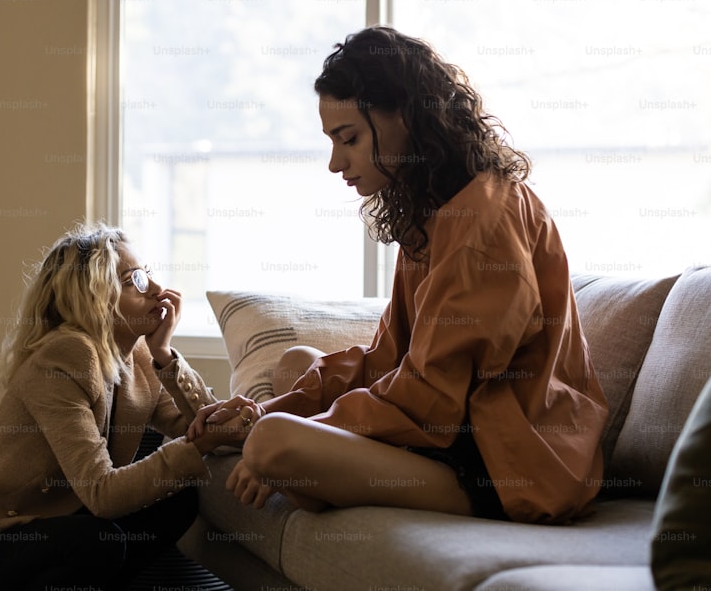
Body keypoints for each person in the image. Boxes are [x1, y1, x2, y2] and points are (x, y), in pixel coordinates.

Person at [190, 26, 609, 524]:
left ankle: (313, 471)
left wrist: (282, 431)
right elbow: (389, 359)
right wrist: (264, 410)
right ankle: (313, 466)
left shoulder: (481, 226)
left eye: (349, 139)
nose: (334, 163)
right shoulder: (435, 212)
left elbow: (431, 398)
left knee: (274, 444)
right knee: (295, 368)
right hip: (456, 433)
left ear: (407, 117)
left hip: (508, 463)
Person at [0, 224, 243, 590]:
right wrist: (201, 444)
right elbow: (102, 493)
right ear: (95, 298)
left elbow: (200, 423)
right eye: (133, 279)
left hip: (60, 518)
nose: (154, 287)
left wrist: (166, 356)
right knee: (93, 543)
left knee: (177, 502)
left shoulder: (138, 355)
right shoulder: (65, 356)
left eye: (146, 272)